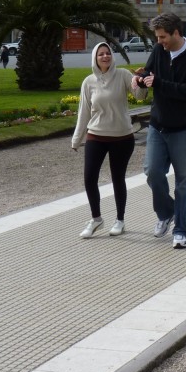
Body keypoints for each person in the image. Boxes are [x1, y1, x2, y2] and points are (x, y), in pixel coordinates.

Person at [133, 12, 186, 250]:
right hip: (158, 125)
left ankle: (181, 231)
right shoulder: (159, 51)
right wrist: (141, 77)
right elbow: (149, 73)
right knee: (152, 172)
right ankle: (166, 212)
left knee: (183, 183)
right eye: (157, 37)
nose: (159, 41)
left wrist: (159, 83)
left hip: (185, 129)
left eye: (163, 37)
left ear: (176, 33)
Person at [71, 42, 138, 238]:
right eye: (100, 54)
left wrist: (140, 82)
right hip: (96, 135)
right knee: (89, 178)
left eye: (107, 53)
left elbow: (139, 95)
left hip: (121, 137)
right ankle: (96, 219)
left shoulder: (123, 75)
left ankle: (120, 220)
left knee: (118, 178)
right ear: (95, 58)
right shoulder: (88, 82)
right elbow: (84, 112)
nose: (105, 57)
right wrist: (77, 139)